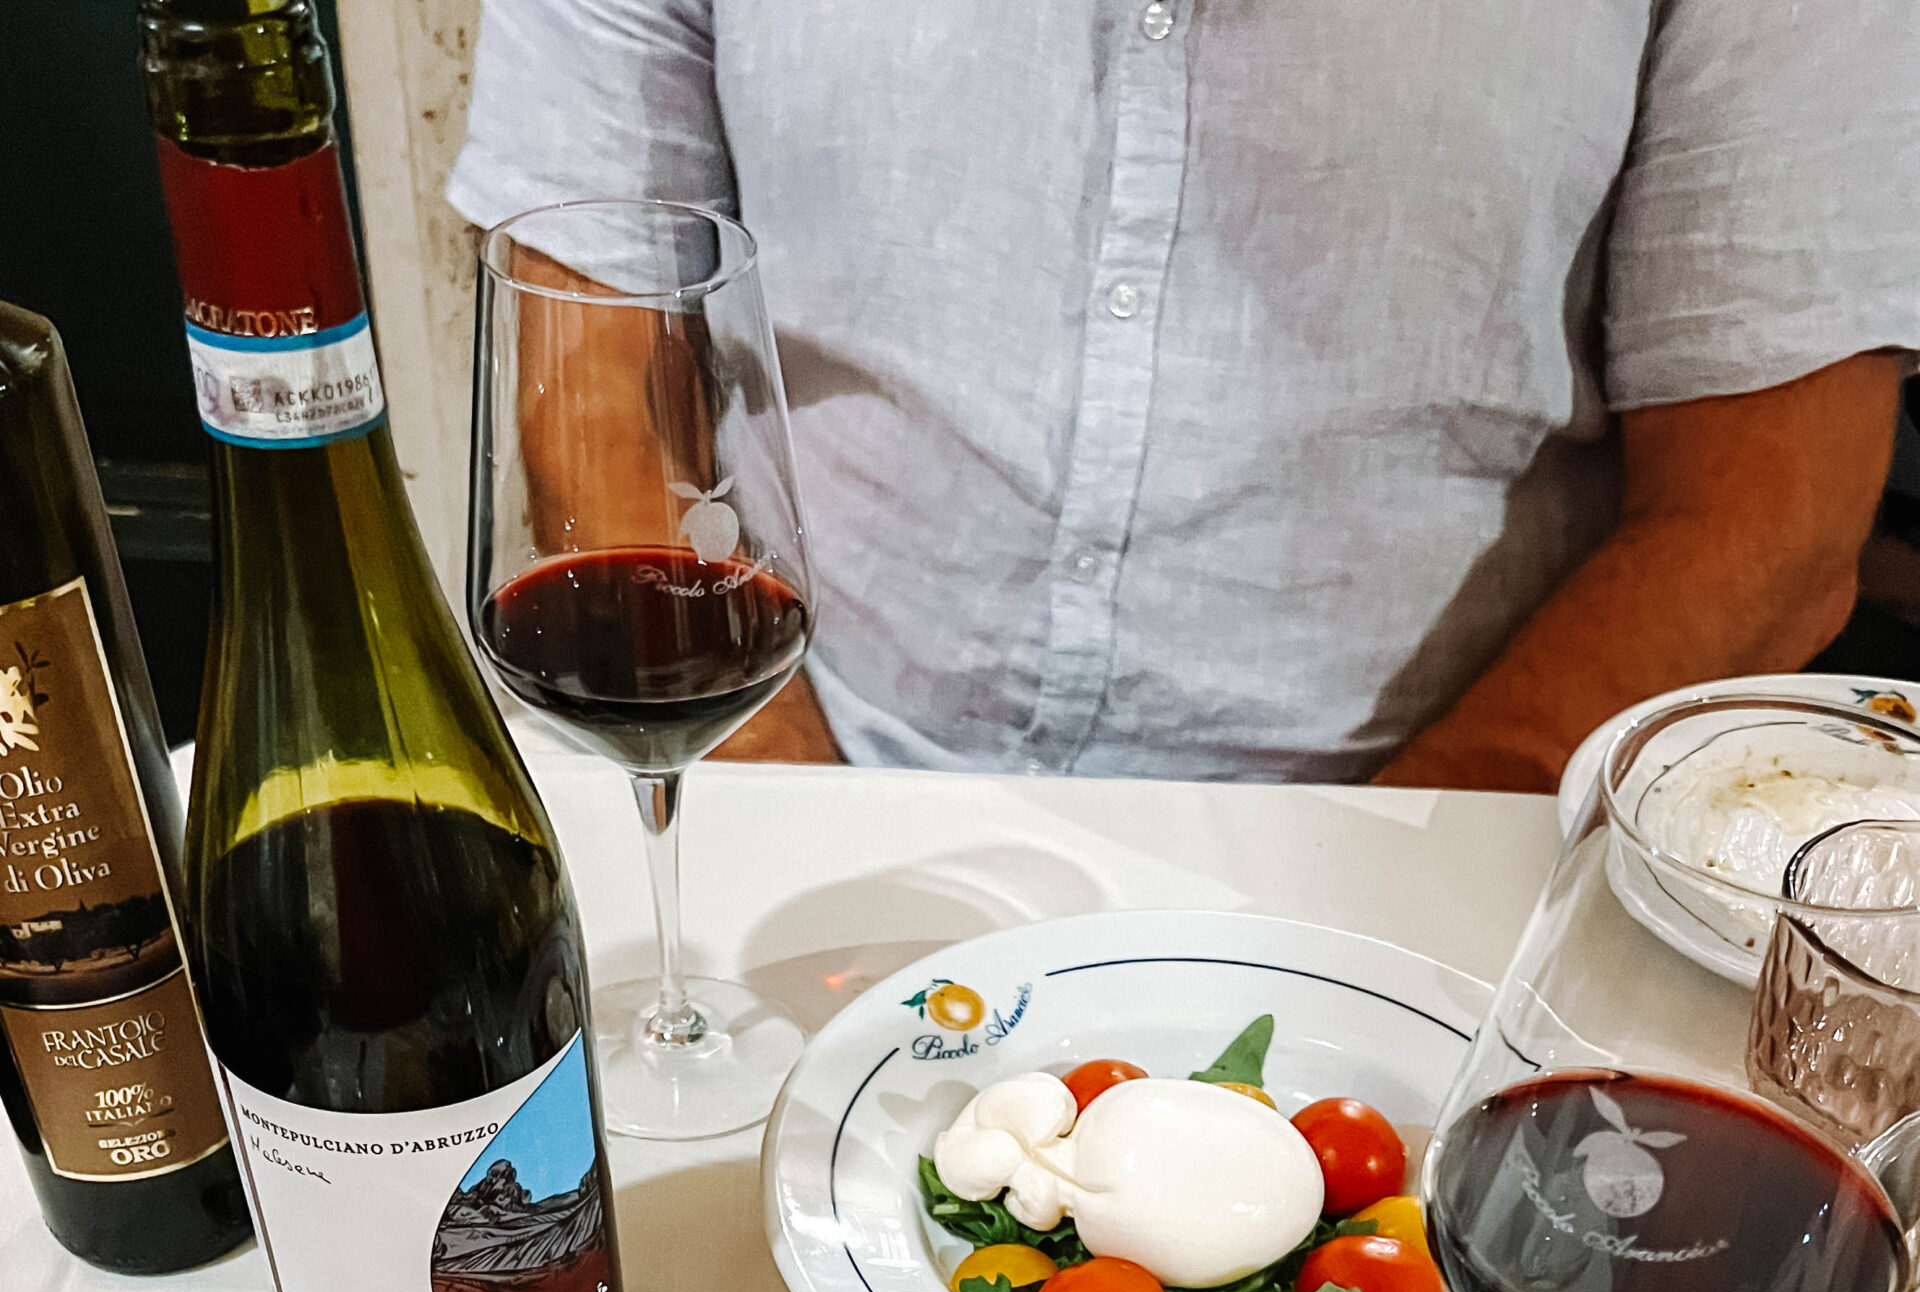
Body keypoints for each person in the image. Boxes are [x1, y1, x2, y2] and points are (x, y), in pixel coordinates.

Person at [451, 1, 1918, 794]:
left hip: (1439, 837)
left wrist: (1361, 897)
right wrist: (782, 800)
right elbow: (587, 334)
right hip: (800, 762)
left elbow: (1765, 521)